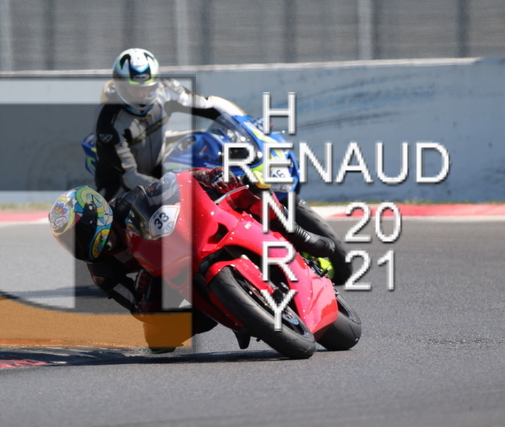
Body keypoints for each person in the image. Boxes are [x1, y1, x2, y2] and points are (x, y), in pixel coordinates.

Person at [49, 168, 335, 352]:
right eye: (68, 241)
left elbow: (176, 181)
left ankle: (299, 236)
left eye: (78, 235)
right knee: (158, 339)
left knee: (247, 186)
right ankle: (224, 309)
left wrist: (211, 177)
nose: (77, 244)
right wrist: (146, 298)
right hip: (160, 270)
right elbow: (136, 307)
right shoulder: (101, 270)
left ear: (95, 216)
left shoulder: (129, 202)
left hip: (186, 234)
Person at [93, 48, 244, 201]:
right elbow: (129, 176)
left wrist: (244, 123)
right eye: (134, 90)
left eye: (147, 88)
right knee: (109, 209)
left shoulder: (166, 91)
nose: (142, 96)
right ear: (119, 86)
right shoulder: (108, 123)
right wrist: (172, 189)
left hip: (158, 167)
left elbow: (208, 106)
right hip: (121, 183)